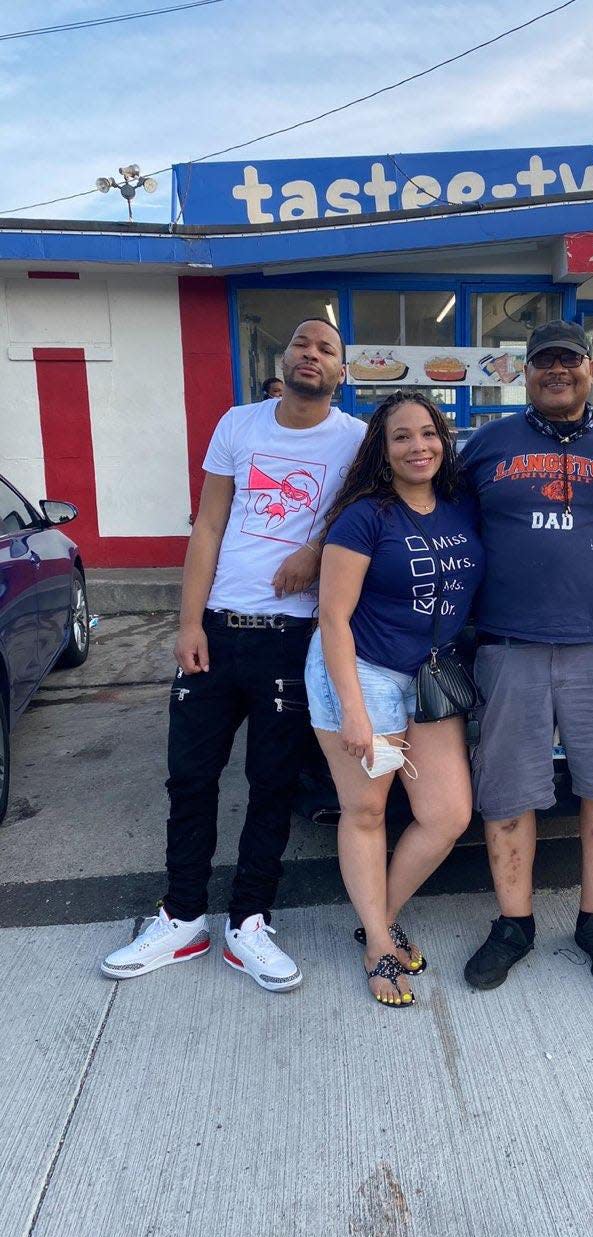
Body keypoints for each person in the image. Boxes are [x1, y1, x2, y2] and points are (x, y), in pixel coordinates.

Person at [101, 318, 364, 992]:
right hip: (217, 629)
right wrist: (189, 622)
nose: (313, 354)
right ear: (283, 359)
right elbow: (210, 523)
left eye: (327, 349)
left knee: (273, 786)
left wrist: (315, 549)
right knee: (190, 778)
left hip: (291, 637)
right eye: (302, 343)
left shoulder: (357, 441)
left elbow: (363, 521)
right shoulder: (239, 425)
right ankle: (182, 916)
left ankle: (249, 921)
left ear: (342, 372)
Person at [460, 320, 593, 991]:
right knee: (507, 791)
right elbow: (435, 514)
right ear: (525, 373)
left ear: (591, 369)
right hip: (509, 644)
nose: (557, 371)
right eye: (544, 363)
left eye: (569, 360)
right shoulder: (486, 445)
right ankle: (515, 922)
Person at [308, 391, 484, 1009]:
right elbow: (333, 617)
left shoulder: (459, 507)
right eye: (402, 437)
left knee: (447, 815)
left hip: (430, 681)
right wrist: (353, 709)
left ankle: (377, 915)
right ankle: (379, 940)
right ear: (382, 451)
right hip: (364, 677)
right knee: (367, 813)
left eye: (428, 433)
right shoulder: (364, 516)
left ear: (444, 439)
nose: (419, 447)